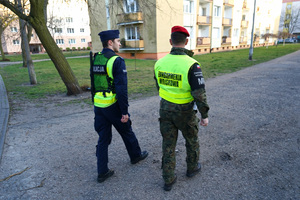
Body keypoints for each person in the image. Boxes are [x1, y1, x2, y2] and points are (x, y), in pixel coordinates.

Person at [154, 26, 210, 191]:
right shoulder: (192, 65)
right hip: (185, 112)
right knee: (191, 140)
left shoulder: (159, 63)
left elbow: (159, 87)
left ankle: (168, 179)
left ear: (171, 42)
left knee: (168, 144)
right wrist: (204, 115)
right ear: (186, 42)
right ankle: (192, 168)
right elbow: (199, 94)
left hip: (165, 110)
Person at [90, 30, 148, 183]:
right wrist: (124, 112)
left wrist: (94, 102)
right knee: (126, 130)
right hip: (112, 104)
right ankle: (136, 156)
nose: (120, 43)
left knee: (103, 138)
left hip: (99, 104)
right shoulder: (117, 60)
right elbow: (121, 89)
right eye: (118, 40)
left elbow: (93, 83)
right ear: (110, 42)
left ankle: (102, 172)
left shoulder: (97, 58)